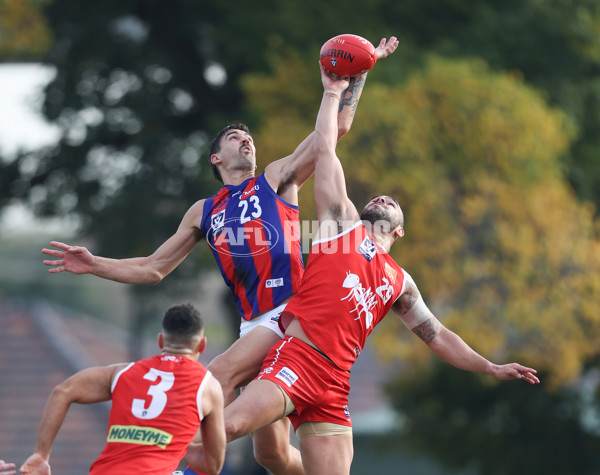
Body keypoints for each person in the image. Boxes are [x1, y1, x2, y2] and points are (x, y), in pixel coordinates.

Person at [41, 36, 399, 475]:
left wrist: (356, 75)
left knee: (218, 375)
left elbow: (333, 133)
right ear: (216, 157)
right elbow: (153, 268)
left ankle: (172, 468)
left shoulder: (276, 180)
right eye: (235, 137)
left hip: (290, 313)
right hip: (254, 324)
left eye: (248, 137)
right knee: (271, 455)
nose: (245, 141)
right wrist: (95, 264)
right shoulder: (204, 211)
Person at [184, 63, 541, 475]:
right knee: (228, 425)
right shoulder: (341, 226)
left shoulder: (401, 282)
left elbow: (438, 336)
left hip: (335, 384)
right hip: (298, 358)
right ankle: (167, 465)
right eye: (381, 198)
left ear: (400, 230)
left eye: (393, 203)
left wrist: (490, 366)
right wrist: (336, 88)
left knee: (277, 459)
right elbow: (325, 146)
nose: (385, 199)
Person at [20, 304, 225, 475]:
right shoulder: (208, 386)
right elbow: (213, 466)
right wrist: (178, 444)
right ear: (202, 345)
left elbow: (62, 392)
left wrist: (41, 454)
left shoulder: (122, 373)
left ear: (160, 341)